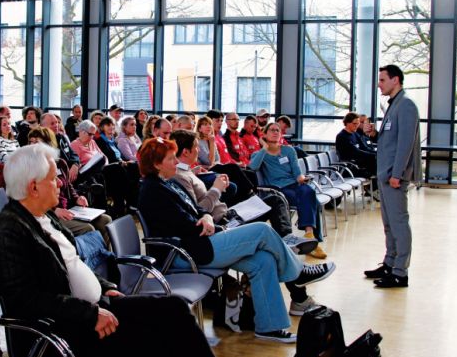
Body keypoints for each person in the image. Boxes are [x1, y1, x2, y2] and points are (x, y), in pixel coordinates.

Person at [0, 143, 295, 357]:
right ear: (33, 186)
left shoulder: (46, 217)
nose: (61, 184)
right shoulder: (7, 231)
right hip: (62, 332)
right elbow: (24, 300)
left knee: (174, 310)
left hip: (94, 310)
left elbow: (74, 267)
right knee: (179, 344)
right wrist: (89, 312)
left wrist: (105, 288)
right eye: (54, 179)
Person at [138, 138, 333, 343]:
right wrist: (204, 219)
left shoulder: (166, 184)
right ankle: (297, 273)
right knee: (262, 230)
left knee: (263, 260)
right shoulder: (153, 191)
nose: (176, 162)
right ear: (156, 164)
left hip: (199, 243)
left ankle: (270, 328)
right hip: (186, 253)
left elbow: (196, 211)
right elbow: (186, 224)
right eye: (171, 159)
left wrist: (205, 216)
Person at [169, 130, 318, 316]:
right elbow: (199, 212)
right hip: (221, 224)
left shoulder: (185, 172)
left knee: (274, 200)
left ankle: (288, 243)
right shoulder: (178, 177)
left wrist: (197, 175)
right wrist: (216, 189)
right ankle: (298, 286)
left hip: (226, 216)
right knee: (270, 236)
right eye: (197, 148)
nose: (199, 152)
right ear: (186, 152)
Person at [360, 64, 421, 289]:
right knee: (388, 224)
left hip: (394, 176)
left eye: (383, 80)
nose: (379, 84)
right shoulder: (393, 106)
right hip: (385, 174)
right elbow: (390, 140)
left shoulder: (406, 106)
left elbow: (405, 144)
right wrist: (374, 134)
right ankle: (390, 262)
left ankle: (400, 271)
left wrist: (397, 174)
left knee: (399, 223)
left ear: (396, 80)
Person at [250, 123, 327, 259]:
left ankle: (309, 234)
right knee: (310, 199)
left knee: (309, 191)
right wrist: (265, 147)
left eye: (277, 130)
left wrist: (302, 178)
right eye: (272, 130)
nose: (275, 132)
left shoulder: (289, 150)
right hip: (278, 190)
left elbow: (297, 172)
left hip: (295, 184)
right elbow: (253, 167)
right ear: (264, 135)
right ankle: (313, 241)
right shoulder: (259, 154)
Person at [27, 127, 112, 243]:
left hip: (69, 208)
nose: (32, 145)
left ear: (47, 144)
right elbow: (31, 198)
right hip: (50, 213)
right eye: (30, 142)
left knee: (106, 220)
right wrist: (54, 210)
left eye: (36, 142)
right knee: (88, 228)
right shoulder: (31, 167)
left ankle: (105, 258)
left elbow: (68, 186)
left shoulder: (61, 163)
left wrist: (78, 198)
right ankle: (88, 259)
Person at [335, 112, 377, 177]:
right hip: (350, 166)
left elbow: (364, 148)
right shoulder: (342, 136)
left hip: (359, 163)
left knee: (378, 162)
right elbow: (355, 152)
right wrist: (373, 156)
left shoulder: (355, 134)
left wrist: (377, 154)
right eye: (354, 123)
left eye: (358, 123)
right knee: (374, 165)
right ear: (347, 123)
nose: (357, 126)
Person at [41, 112, 80, 178]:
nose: (56, 125)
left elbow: (73, 153)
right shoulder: (41, 142)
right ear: (42, 126)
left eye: (57, 122)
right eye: (52, 123)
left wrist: (75, 164)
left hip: (70, 172)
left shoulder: (61, 137)